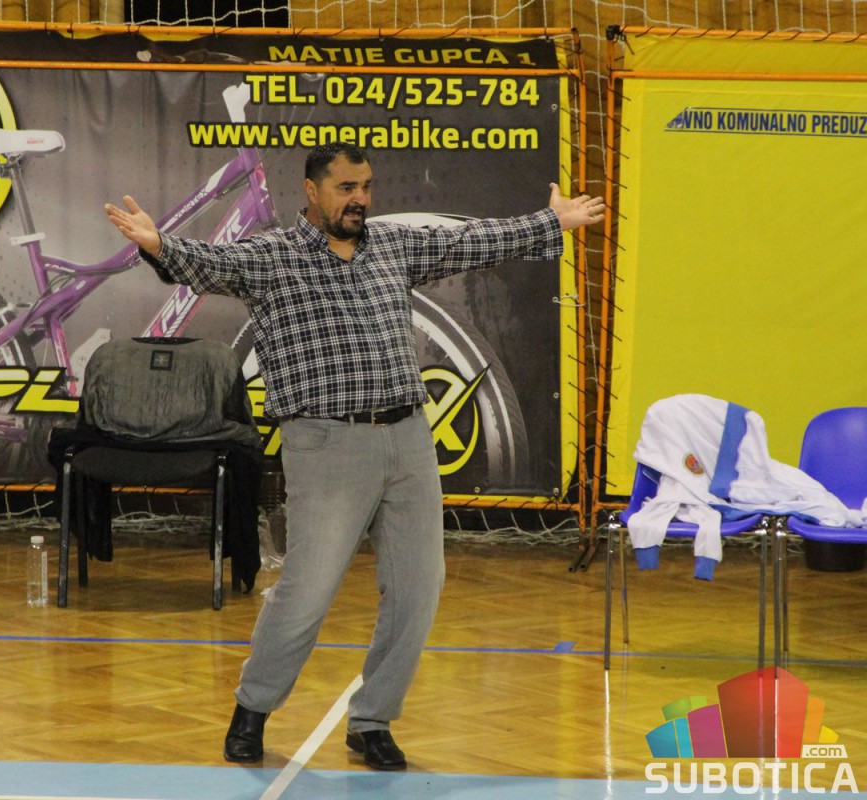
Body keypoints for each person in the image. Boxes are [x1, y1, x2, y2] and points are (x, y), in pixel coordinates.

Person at [104, 142, 603, 771]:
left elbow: (472, 242)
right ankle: (252, 709)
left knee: (419, 587)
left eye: (365, 186)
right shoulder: (274, 256)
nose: (359, 199)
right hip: (326, 444)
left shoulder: (393, 245)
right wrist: (157, 244)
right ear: (312, 191)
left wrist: (549, 222)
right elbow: (208, 263)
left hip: (408, 438)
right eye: (345, 188)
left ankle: (372, 721)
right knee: (308, 589)